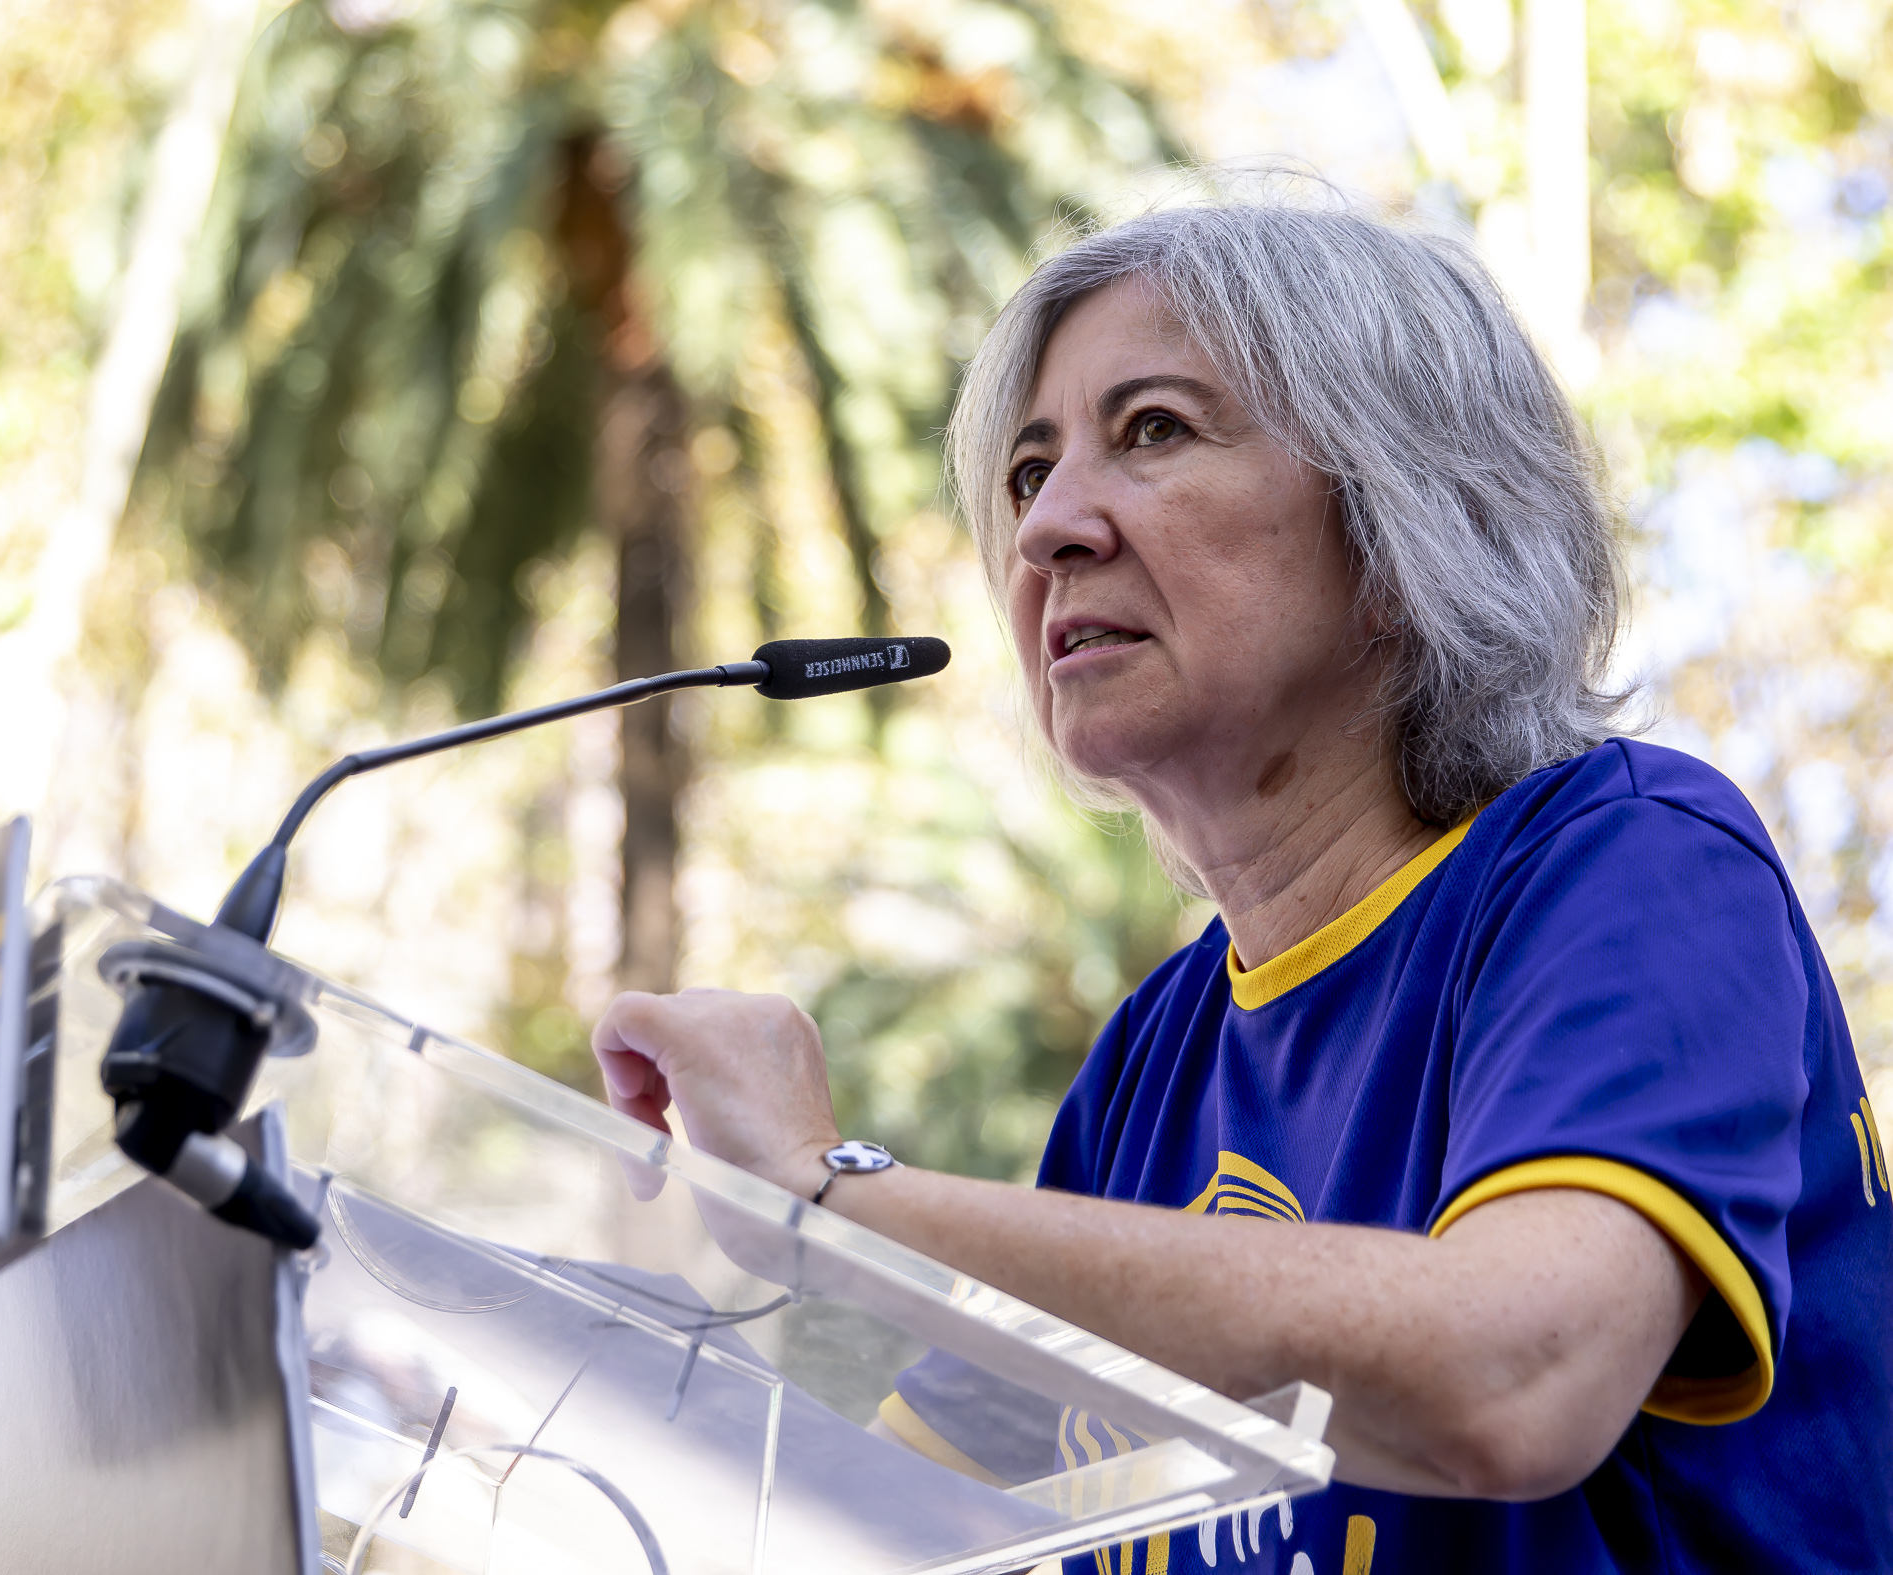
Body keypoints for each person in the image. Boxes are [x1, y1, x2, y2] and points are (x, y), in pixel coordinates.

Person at [589, 191, 1893, 1573]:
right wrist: (543, 1383)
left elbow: (1515, 1383)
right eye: (1029, 473)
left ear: (1407, 524)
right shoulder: (1156, 1051)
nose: (1046, 532)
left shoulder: (1633, 862)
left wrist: (831, 1195)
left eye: (1153, 430)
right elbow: (906, 1534)